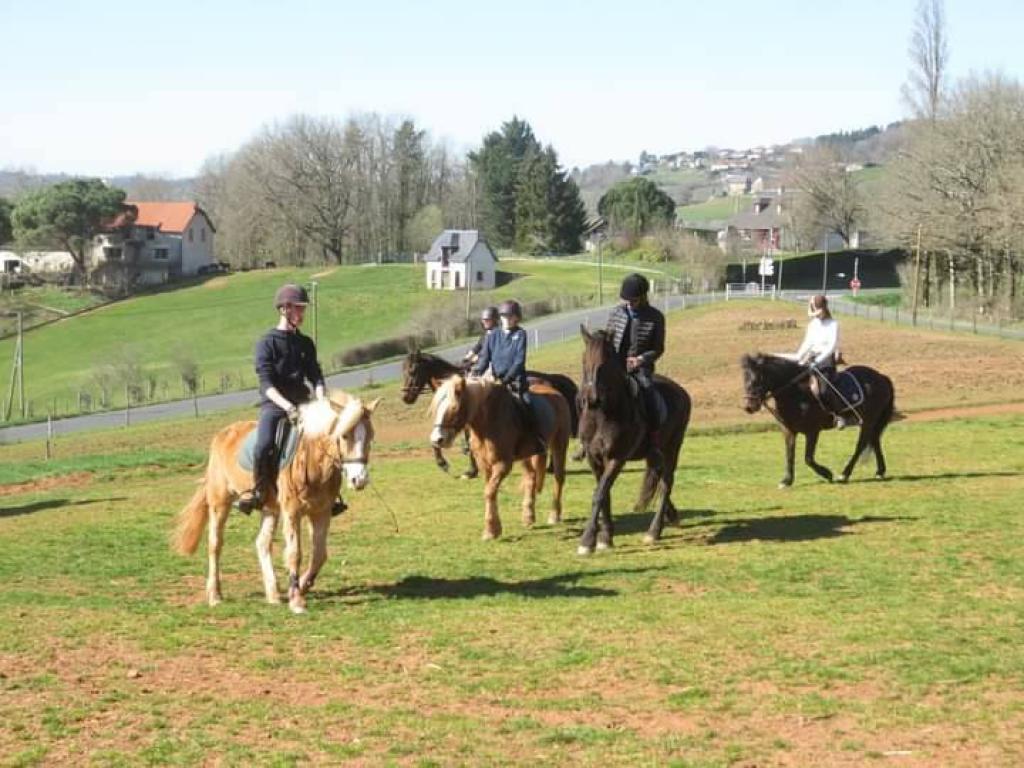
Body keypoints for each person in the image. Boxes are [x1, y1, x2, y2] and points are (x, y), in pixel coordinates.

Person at [237, 283, 334, 514]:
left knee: (329, 440)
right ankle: (259, 491)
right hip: (275, 405)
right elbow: (266, 384)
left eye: (303, 309)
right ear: (284, 309)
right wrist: (288, 406)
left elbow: (315, 376)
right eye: (298, 309)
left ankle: (331, 492)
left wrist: (321, 399)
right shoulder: (266, 343)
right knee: (264, 445)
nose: (302, 314)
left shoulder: (305, 343)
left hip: (305, 404)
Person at [606, 273, 666, 467]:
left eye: (633, 300)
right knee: (590, 391)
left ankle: (654, 440)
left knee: (649, 393)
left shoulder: (655, 317)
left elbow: (658, 348)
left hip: (640, 368)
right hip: (615, 366)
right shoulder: (616, 313)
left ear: (643, 297)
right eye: (626, 300)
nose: (629, 303)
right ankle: (585, 438)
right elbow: (608, 340)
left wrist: (640, 359)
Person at [472, 299, 544, 454]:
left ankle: (536, 440)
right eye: (504, 316)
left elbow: (519, 362)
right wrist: (476, 373)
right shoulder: (492, 336)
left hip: (515, 382)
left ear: (516, 318)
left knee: (528, 404)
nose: (506, 319)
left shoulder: (520, 334)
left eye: (510, 316)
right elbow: (484, 358)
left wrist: (506, 379)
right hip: (494, 381)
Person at [794, 294, 846, 429]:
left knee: (824, 389)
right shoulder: (812, 325)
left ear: (824, 309)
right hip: (810, 358)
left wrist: (817, 361)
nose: (816, 315)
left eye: (819, 311)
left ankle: (838, 415)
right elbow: (807, 343)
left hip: (826, 359)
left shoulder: (833, 325)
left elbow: (831, 346)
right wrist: (798, 357)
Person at [462, 306, 499, 370]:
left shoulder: (498, 334)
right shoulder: (486, 333)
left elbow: (491, 351)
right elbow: (478, 346)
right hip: (481, 362)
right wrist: (467, 357)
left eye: (487, 320)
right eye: (483, 320)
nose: (484, 322)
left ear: (494, 320)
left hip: (492, 365)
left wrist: (477, 357)